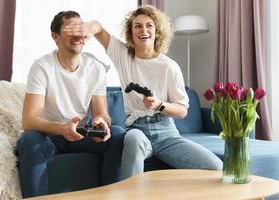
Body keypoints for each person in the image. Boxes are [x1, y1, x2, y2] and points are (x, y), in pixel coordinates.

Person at [64, 5, 222, 179]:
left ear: (157, 31)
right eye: (137, 26)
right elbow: (99, 29)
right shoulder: (123, 55)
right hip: (136, 129)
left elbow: (182, 110)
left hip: (166, 134)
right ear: (131, 32)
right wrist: (88, 28)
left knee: (216, 167)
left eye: (149, 25)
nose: (143, 30)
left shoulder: (169, 66)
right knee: (134, 140)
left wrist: (159, 105)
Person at [17, 11, 124, 198]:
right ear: (55, 37)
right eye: (70, 29)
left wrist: (101, 121)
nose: (78, 35)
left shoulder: (95, 68)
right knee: (28, 140)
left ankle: (110, 196)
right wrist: (62, 128)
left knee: (116, 135)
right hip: (49, 135)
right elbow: (29, 120)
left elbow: (102, 113)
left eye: (80, 29)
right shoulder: (42, 67)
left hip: (81, 133)